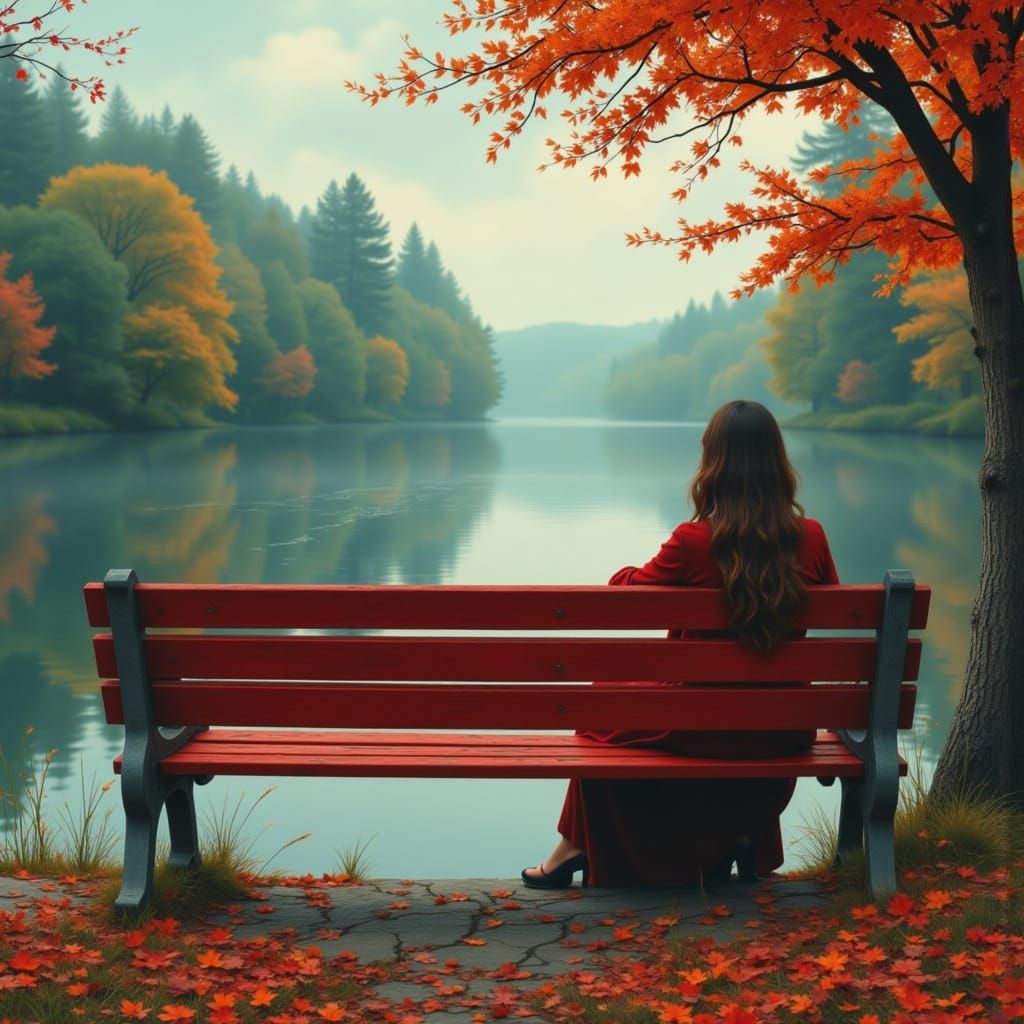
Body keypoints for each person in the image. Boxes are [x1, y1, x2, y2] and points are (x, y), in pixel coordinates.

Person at [521, 399, 840, 889]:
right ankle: (736, 835)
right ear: (778, 461)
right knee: (619, 703)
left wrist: (629, 573)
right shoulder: (813, 537)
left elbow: (624, 595)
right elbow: (833, 612)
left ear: (712, 463)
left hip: (700, 727)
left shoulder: (692, 542)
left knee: (595, 708)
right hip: (782, 729)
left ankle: (573, 849)